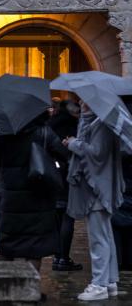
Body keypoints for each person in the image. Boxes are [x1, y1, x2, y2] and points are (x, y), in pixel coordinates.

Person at [0, 111, 69, 272]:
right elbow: (63, 154)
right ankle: (31, 289)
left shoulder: (5, 132)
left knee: (8, 244)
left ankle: (6, 287)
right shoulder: (44, 131)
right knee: (34, 249)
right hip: (38, 197)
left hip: (11, 198)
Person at [63, 101, 125, 301]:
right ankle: (109, 281)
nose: (81, 103)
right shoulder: (94, 123)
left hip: (97, 190)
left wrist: (73, 143)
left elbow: (97, 153)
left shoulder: (101, 125)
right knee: (105, 236)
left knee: (98, 239)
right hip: (98, 188)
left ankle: (99, 283)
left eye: (86, 101)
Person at [47, 99, 83, 271]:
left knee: (56, 217)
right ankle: (63, 258)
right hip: (68, 175)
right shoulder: (75, 127)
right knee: (68, 217)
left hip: (53, 176)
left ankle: (56, 257)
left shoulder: (50, 126)